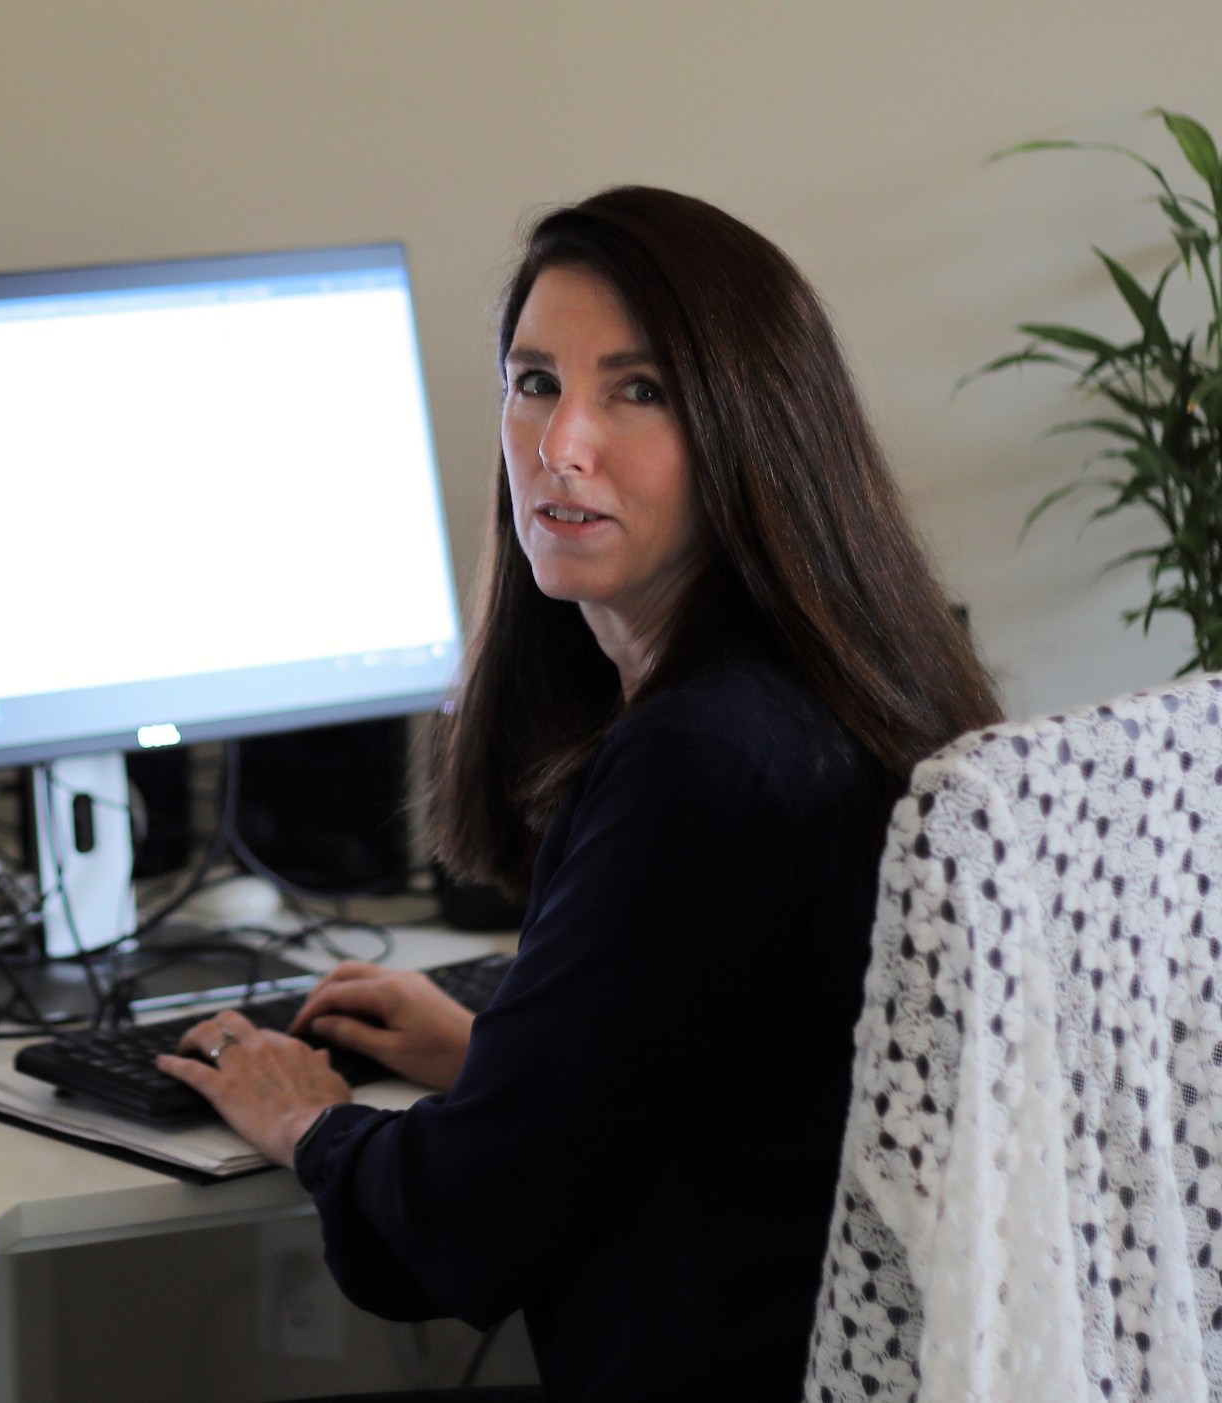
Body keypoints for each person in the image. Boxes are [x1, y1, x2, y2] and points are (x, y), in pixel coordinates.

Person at [156, 186, 1002, 1401]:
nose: (559, 443)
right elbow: (751, 1086)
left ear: (748, 429)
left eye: (636, 390)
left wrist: (306, 1117)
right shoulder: (828, 691)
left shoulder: (697, 758)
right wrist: (501, 1061)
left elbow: (451, 1230)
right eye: (534, 379)